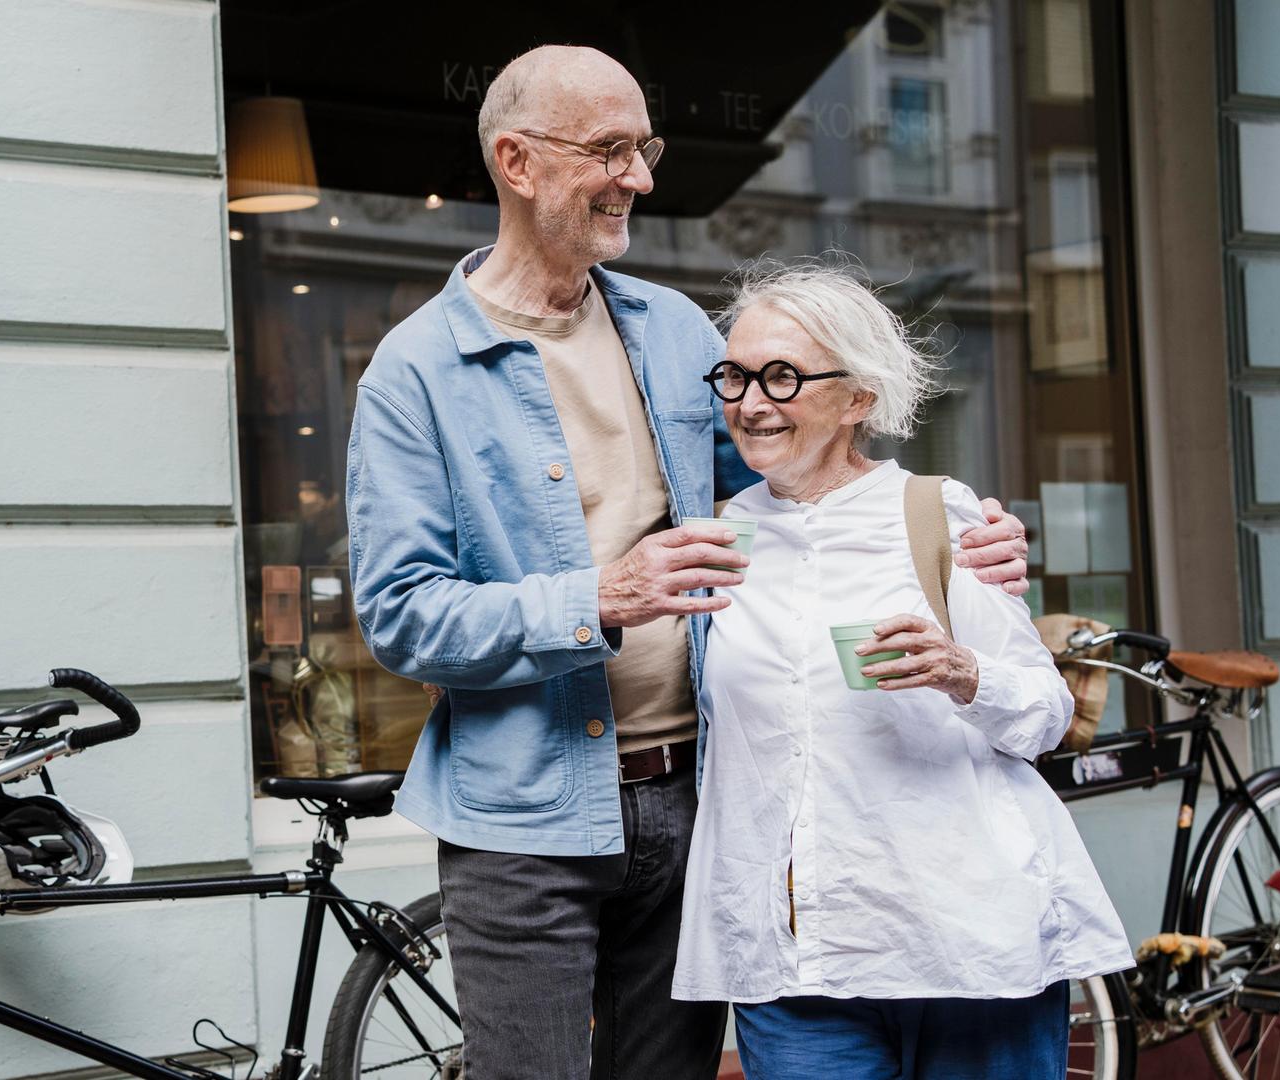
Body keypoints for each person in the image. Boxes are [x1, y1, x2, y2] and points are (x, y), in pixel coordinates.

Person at [344, 44, 1032, 1080]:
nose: (642, 178)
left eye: (645, 147)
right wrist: (600, 597)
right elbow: (401, 616)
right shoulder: (415, 371)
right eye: (611, 150)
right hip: (523, 817)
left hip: (699, 799)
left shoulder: (670, 329)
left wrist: (955, 526)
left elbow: (794, 481)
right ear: (518, 161)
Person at [670, 262, 1133, 1079]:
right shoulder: (711, 542)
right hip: (796, 959)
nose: (749, 401)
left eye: (782, 376)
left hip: (965, 941)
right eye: (736, 375)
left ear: (858, 399)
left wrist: (964, 672)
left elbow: (1046, 716)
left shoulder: (937, 515)